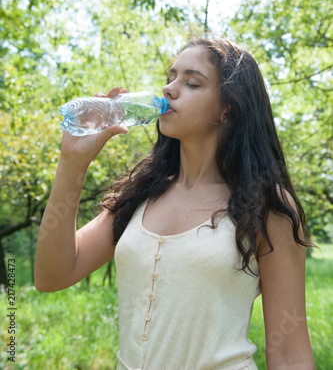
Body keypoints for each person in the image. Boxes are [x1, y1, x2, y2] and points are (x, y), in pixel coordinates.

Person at [34, 37, 316, 370]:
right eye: (171, 77)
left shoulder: (267, 206)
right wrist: (72, 163)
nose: (169, 89)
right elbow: (51, 277)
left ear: (229, 108)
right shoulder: (141, 194)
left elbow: (288, 353)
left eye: (192, 82)